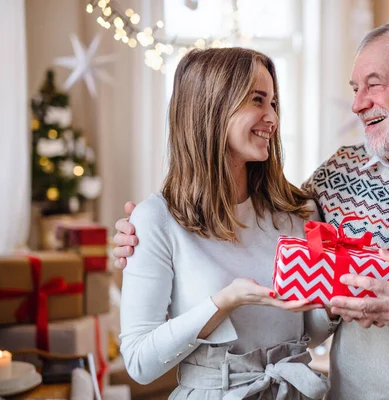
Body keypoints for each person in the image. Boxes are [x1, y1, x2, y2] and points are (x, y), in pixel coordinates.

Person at [115, 20, 389, 399]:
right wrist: (140, 235)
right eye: (354, 88)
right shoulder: (336, 179)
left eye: (373, 84)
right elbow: (251, 230)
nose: (357, 103)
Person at [117, 47, 334, 400]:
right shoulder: (155, 220)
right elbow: (140, 363)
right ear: (212, 107)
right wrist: (223, 302)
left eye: (274, 104)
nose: (273, 118)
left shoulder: (296, 212)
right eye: (257, 100)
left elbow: (308, 332)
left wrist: (335, 302)